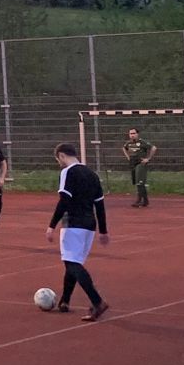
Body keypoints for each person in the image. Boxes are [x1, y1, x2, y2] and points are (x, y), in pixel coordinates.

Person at [45, 143, 110, 322]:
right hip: (90, 224)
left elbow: (64, 201)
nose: (59, 163)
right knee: (73, 262)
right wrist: (103, 230)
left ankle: (97, 301)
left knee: (72, 263)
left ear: (61, 155)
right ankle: (65, 301)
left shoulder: (68, 172)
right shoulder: (92, 174)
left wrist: (52, 225)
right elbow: (100, 204)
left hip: (73, 222)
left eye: (58, 159)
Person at [124, 127, 155, 208]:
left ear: (137, 134)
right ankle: (145, 201)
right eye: (130, 134)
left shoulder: (142, 142)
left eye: (134, 133)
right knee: (137, 182)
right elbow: (124, 148)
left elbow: (153, 148)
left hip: (140, 163)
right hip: (132, 164)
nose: (132, 135)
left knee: (140, 182)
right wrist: (128, 157)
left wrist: (148, 158)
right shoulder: (128, 143)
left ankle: (139, 200)